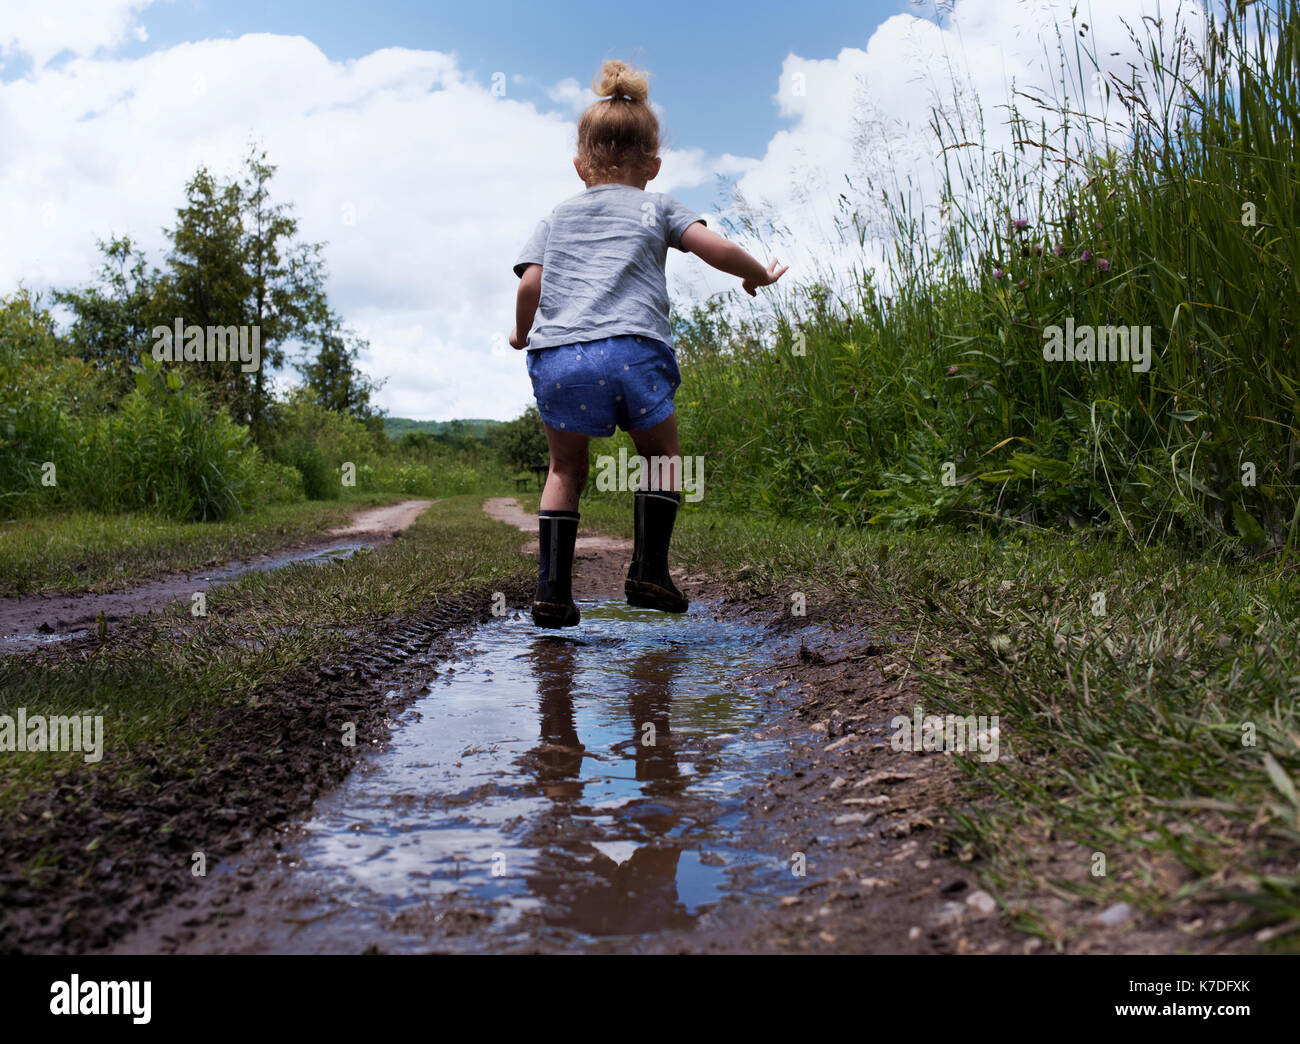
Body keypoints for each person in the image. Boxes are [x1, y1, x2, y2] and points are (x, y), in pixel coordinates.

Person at [510, 59, 788, 628]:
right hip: (635, 350)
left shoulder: (557, 216)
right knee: (660, 457)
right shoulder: (658, 206)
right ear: (654, 164)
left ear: (579, 165)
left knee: (565, 469)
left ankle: (553, 592)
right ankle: (648, 571)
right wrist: (755, 273)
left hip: (561, 355)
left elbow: (532, 282)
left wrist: (520, 334)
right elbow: (714, 247)